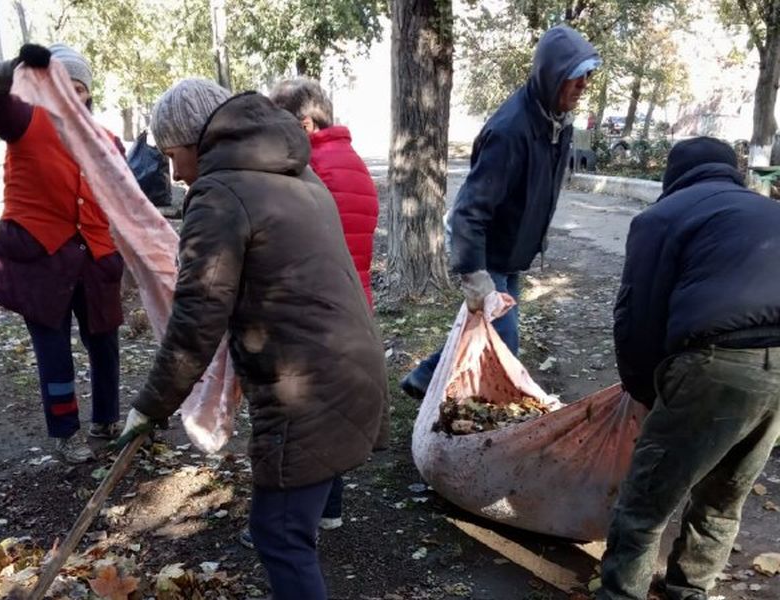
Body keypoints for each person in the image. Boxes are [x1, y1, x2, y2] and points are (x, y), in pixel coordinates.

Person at [119, 79, 388, 600]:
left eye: (174, 154)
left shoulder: (219, 194)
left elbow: (197, 317)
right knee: (291, 530)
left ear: (198, 141)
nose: (173, 173)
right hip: (351, 365)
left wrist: (150, 407)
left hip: (308, 387)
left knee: (280, 535)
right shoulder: (296, 171)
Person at [597, 137, 780, 600]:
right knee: (724, 497)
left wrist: (644, 394)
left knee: (645, 502)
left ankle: (621, 595)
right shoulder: (769, 212)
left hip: (715, 365)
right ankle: (689, 590)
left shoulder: (661, 218)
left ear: (672, 175)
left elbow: (636, 319)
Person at [400, 24, 601, 399]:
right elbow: (468, 212)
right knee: (503, 343)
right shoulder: (511, 131)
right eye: (577, 76)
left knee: (487, 334)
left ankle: (426, 377)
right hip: (488, 257)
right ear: (552, 74)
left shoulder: (555, 122)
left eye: (589, 76)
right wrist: (475, 276)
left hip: (512, 253)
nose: (584, 85)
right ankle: (490, 416)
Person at [0, 44, 125, 463]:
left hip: (96, 260)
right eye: (65, 85)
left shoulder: (108, 140)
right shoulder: (22, 118)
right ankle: (65, 433)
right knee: (53, 348)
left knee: (105, 343)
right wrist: (13, 67)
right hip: (41, 258)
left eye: (80, 88)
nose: (74, 95)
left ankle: (107, 419)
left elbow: (126, 203)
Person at [269, 77, 380, 532]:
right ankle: (330, 508)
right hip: (355, 309)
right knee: (332, 415)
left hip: (315, 314)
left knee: (303, 421)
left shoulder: (310, 170)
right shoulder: (352, 162)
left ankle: (298, 518)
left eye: (278, 125)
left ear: (305, 124)